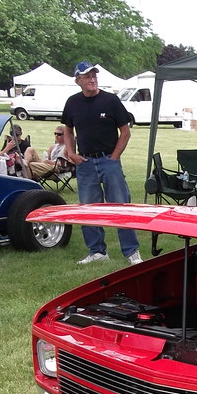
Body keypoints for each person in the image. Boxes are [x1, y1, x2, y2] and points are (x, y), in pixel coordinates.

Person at [61, 61, 142, 265]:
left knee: (121, 207)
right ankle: (97, 251)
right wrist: (71, 153)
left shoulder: (111, 101)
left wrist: (114, 157)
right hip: (85, 163)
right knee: (88, 209)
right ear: (78, 80)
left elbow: (125, 132)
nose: (92, 79)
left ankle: (132, 252)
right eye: (87, 77)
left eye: (94, 76)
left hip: (109, 161)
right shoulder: (72, 103)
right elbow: (68, 130)